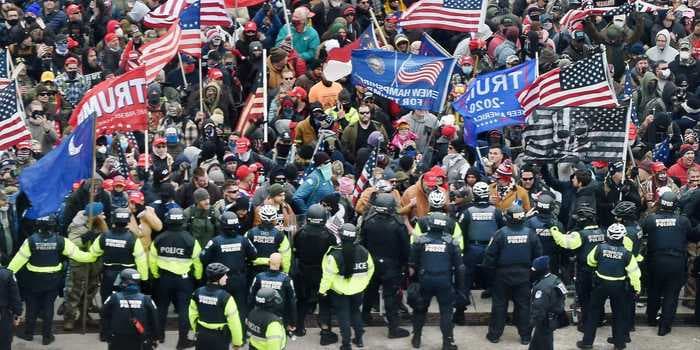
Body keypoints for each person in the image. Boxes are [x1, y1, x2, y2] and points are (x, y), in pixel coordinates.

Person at [9, 215, 94, 345]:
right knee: (49, 307)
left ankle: (28, 334)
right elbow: (81, 257)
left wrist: (5, 274)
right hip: (52, 281)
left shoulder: (30, 241)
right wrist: (94, 254)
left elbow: (15, 264)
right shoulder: (61, 241)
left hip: (33, 282)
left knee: (32, 308)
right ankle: (47, 337)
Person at [483, 204, 543, 345]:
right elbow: (539, 257)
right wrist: (532, 274)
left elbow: (489, 257)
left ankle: (494, 335)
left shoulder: (500, 234)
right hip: (524, 275)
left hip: (502, 275)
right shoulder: (530, 233)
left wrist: (490, 276)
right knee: (524, 307)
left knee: (499, 306)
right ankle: (525, 337)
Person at [641, 191, 698, 336]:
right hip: (676, 261)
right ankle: (664, 327)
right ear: (675, 205)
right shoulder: (683, 221)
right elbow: (693, 236)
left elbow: (641, 230)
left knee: (654, 291)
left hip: (656, 261)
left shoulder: (651, 219)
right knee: (671, 295)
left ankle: (651, 319)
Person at [576, 224, 641, 350]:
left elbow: (590, 261)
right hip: (619, 287)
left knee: (593, 314)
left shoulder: (599, 248)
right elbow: (634, 274)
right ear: (623, 238)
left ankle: (587, 342)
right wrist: (637, 290)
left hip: (600, 285)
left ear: (608, 235)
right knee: (618, 314)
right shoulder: (627, 255)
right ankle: (619, 343)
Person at [149, 208, 203, 349]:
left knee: (161, 308)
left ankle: (159, 336)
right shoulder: (191, 240)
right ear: (182, 222)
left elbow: (152, 260)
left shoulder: (159, 239)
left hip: (163, 279)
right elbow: (197, 262)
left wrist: (156, 275)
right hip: (184, 281)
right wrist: (197, 278)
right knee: (185, 310)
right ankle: (182, 341)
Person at [359, 193, 411, 338]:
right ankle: (393, 328)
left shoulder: (368, 222)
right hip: (391, 266)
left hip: (372, 264)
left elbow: (362, 244)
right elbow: (405, 248)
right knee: (391, 297)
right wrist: (405, 265)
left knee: (369, 293)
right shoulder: (398, 225)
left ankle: (364, 318)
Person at [409, 212, 463, 350]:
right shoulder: (451, 242)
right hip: (444, 280)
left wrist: (413, 282)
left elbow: (412, 264)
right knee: (446, 312)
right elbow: (460, 267)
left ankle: (416, 338)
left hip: (425, 280)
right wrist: (460, 288)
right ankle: (447, 343)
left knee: (420, 310)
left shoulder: (420, 241)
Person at [319, 223, 374, 350]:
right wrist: (363, 284)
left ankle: (346, 344)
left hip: (340, 292)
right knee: (355, 313)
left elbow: (328, 276)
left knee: (343, 317)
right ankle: (359, 340)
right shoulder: (364, 251)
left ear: (340, 235)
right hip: (358, 290)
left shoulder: (334, 254)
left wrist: (322, 291)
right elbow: (370, 270)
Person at [550, 206, 605, 332]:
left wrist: (554, 229)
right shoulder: (602, 231)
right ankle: (600, 320)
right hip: (600, 271)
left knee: (585, 299)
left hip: (585, 271)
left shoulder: (580, 235)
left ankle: (586, 325)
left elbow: (564, 242)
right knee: (597, 298)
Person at [199, 212, 257, 330]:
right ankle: (240, 336)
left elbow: (203, 257)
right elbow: (254, 255)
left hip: (221, 280)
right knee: (240, 307)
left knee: (221, 305)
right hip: (239, 279)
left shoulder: (215, 241)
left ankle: (223, 332)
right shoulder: (243, 240)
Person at [456, 181, 504, 323]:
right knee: (494, 276)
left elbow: (461, 233)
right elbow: (502, 231)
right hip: (491, 248)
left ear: (475, 195)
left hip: (472, 248)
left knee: (466, 278)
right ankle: (496, 306)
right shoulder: (496, 211)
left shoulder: (467, 212)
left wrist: (462, 250)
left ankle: (460, 311)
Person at [292, 204, 337, 340]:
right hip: (322, 273)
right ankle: (325, 331)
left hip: (303, 271)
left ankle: (299, 328)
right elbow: (332, 255)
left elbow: (296, 251)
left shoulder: (300, 233)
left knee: (302, 301)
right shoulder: (329, 235)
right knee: (324, 301)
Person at [89, 207, 148, 304]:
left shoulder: (104, 236)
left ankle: (106, 317)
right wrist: (144, 278)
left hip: (108, 274)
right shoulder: (133, 238)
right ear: (128, 221)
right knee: (127, 302)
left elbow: (92, 254)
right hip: (129, 276)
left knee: (106, 300)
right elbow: (141, 260)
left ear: (113, 219)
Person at [188, 263, 244, 350]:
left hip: (201, 335)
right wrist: (237, 342)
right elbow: (234, 323)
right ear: (218, 278)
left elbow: (192, 315)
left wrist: (197, 330)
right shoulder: (226, 297)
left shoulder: (197, 293)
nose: (227, 277)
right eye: (225, 275)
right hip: (220, 338)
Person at [100, 268, 160, 350]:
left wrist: (107, 334)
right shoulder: (146, 299)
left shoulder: (114, 297)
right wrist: (155, 337)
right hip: (140, 338)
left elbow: (103, 314)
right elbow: (155, 319)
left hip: (117, 338)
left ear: (123, 282)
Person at [248, 253, 297, 332]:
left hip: (260, 316)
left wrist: (249, 316)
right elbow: (292, 302)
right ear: (281, 263)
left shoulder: (259, 277)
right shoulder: (286, 279)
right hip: (279, 318)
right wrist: (293, 322)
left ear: (268, 262)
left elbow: (251, 298)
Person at [525, 193, 564, 286]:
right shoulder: (557, 224)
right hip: (552, 260)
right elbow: (562, 245)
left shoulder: (529, 222)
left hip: (534, 260)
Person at [529, 255, 567, 350]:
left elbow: (539, 307)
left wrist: (531, 323)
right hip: (553, 317)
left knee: (545, 344)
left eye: (534, 270)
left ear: (540, 270)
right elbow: (563, 295)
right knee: (537, 342)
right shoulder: (555, 279)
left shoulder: (542, 287)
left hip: (544, 321)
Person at [245, 205, 292, 280]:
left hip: (253, 270)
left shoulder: (250, 233)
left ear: (260, 218)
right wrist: (285, 272)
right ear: (275, 219)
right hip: (274, 271)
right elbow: (286, 256)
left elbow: (244, 253)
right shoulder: (280, 235)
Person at [0, 253, 21, 350]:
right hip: (3, 314)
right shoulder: (7, 274)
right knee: (4, 342)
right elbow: (15, 297)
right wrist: (17, 314)